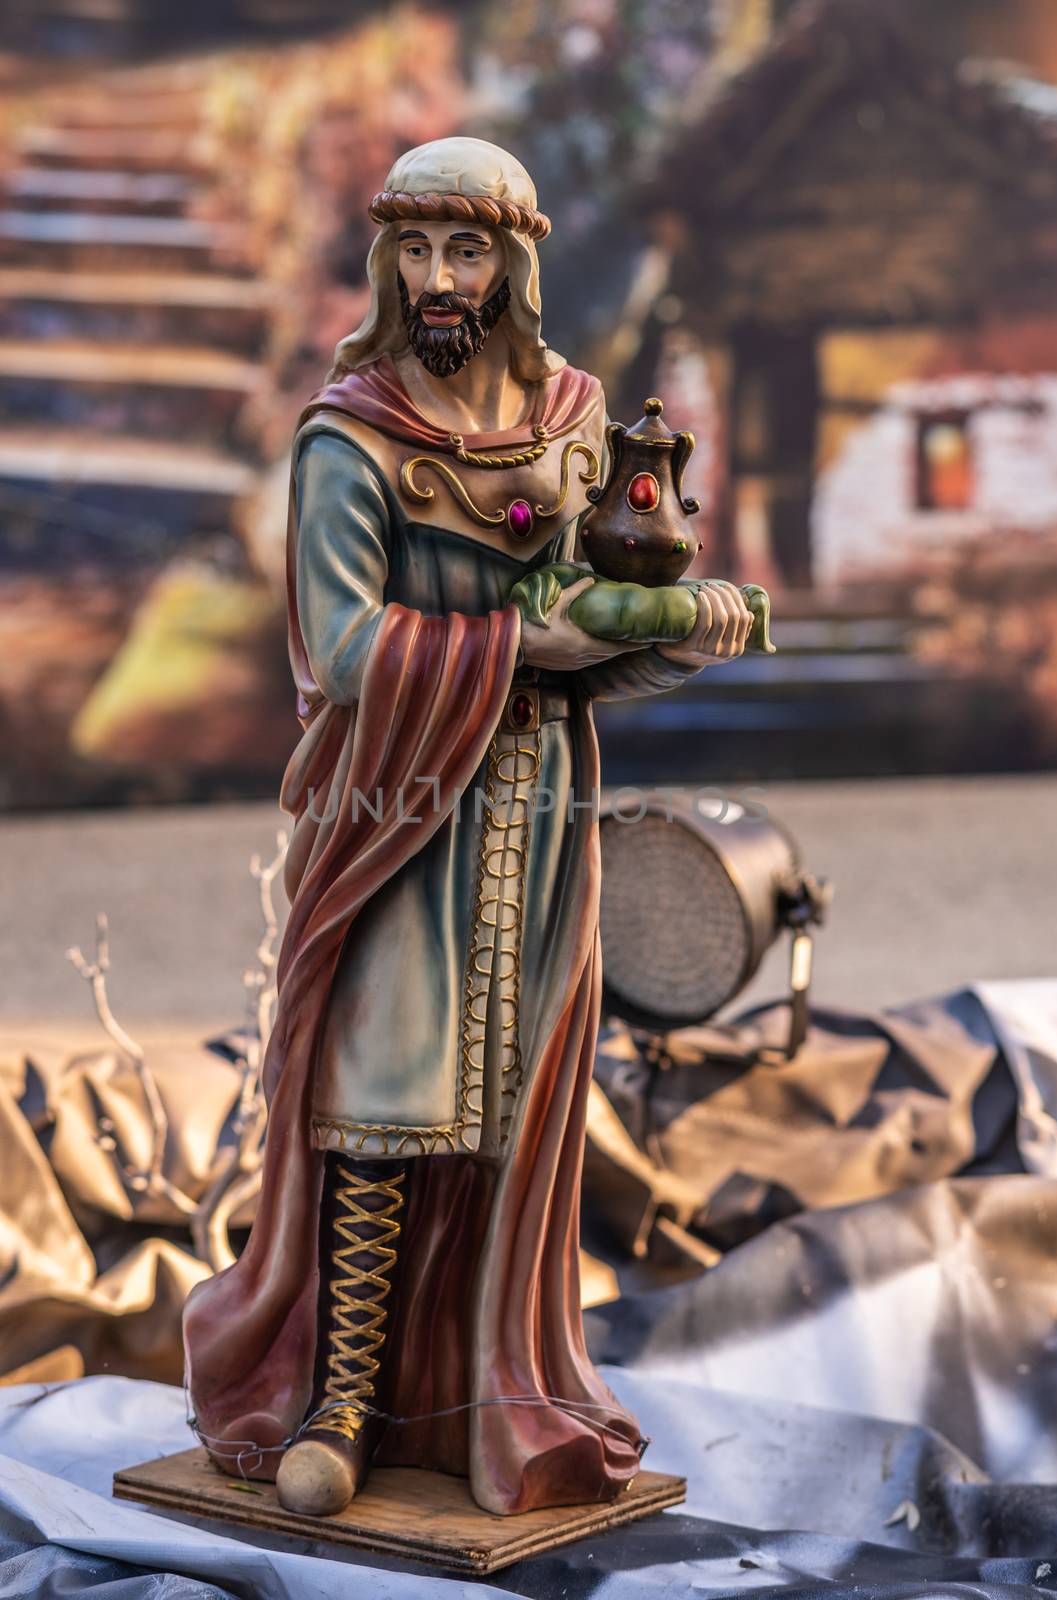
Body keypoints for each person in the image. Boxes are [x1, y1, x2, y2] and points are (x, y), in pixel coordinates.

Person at [183, 136, 751, 1520]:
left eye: (471, 249)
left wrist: (678, 636)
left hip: (542, 812)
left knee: (511, 1118)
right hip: (398, 808)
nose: (444, 278)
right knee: (383, 1094)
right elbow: (345, 648)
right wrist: (533, 638)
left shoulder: (574, 420)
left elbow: (585, 640)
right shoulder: (351, 434)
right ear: (390, 264)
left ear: (517, 263)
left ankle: (477, 1402)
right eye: (420, 250)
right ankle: (339, 1405)